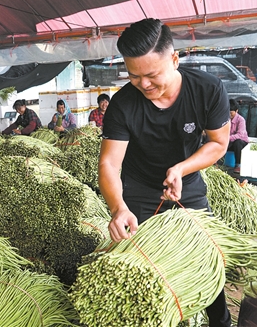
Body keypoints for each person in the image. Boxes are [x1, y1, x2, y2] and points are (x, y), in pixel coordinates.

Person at [99, 18, 232, 327]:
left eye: (152, 74)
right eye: (134, 76)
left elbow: (218, 143)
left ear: (174, 59)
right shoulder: (122, 104)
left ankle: (221, 322)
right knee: (142, 265)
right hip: (139, 190)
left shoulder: (207, 89)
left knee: (206, 257)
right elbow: (109, 164)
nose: (144, 84)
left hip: (188, 185)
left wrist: (182, 169)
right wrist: (118, 208)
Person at [228, 99, 249, 174]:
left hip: (240, 143)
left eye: (231, 113)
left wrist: (227, 138)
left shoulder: (241, 120)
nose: (229, 115)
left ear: (236, 111)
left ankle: (238, 165)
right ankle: (215, 162)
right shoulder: (225, 119)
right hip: (229, 141)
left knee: (238, 142)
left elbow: (240, 135)